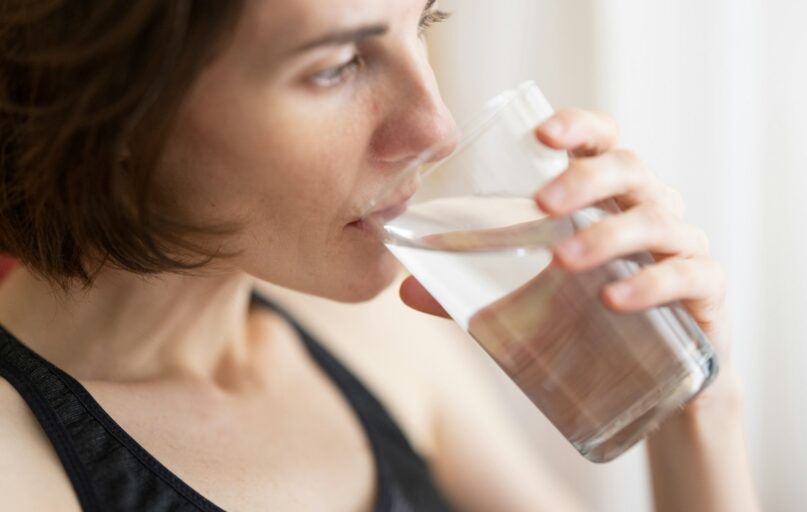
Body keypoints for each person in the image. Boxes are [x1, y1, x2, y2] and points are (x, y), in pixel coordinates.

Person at [0, 1, 759, 511]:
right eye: (334, 66)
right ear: (112, 108)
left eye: (419, 22)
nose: (437, 128)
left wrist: (697, 407)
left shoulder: (376, 336)